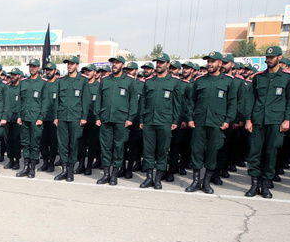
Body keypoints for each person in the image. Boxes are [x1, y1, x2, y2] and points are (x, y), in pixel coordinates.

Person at [243, 46, 290, 199]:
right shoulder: (258, 77)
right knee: (255, 152)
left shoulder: (287, 77)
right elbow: (251, 99)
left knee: (271, 152)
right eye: (267, 57)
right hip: (258, 120)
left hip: (276, 121)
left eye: (272, 57)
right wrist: (248, 119)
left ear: (279, 57)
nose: (268, 60)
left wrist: (287, 119)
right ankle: (254, 185)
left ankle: (265, 185)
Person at [184, 52, 236, 194]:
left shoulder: (228, 81)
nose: (210, 64)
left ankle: (206, 182)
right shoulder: (199, 81)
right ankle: (195, 181)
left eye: (213, 61)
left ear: (220, 63)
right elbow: (191, 101)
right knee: (196, 150)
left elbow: (232, 103)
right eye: (208, 62)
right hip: (199, 122)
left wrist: (227, 121)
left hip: (217, 122)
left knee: (212, 152)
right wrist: (190, 118)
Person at [139, 53, 181, 189]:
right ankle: (149, 177)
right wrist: (141, 119)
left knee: (163, 151)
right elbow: (143, 102)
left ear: (168, 65)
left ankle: (158, 179)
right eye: (157, 62)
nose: (159, 65)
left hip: (165, 121)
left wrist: (175, 120)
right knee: (148, 150)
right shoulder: (149, 82)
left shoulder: (174, 82)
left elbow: (177, 104)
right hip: (149, 121)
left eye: (162, 62)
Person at [95, 56, 138, 186]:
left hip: (121, 119)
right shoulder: (105, 80)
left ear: (122, 65)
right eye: (113, 63)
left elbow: (133, 101)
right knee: (106, 146)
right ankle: (106, 174)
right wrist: (97, 117)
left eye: (117, 63)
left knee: (119, 147)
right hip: (106, 118)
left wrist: (130, 118)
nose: (114, 65)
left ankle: (114, 174)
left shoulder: (129, 81)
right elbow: (99, 100)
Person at [53, 56, 88, 181]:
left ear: (77, 66)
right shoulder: (61, 80)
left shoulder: (83, 81)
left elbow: (85, 100)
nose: (69, 66)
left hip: (76, 117)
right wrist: (56, 116)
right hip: (62, 116)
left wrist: (84, 117)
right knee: (62, 144)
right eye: (68, 64)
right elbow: (57, 100)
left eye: (72, 64)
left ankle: (71, 171)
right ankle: (64, 170)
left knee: (73, 143)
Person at [16, 58, 49, 178]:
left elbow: (45, 102)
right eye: (30, 66)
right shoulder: (24, 82)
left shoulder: (43, 83)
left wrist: (41, 117)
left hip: (36, 119)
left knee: (34, 143)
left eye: (34, 66)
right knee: (25, 143)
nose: (32, 69)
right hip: (25, 118)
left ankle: (32, 169)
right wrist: (19, 116)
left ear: (38, 68)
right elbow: (20, 100)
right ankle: (25, 167)